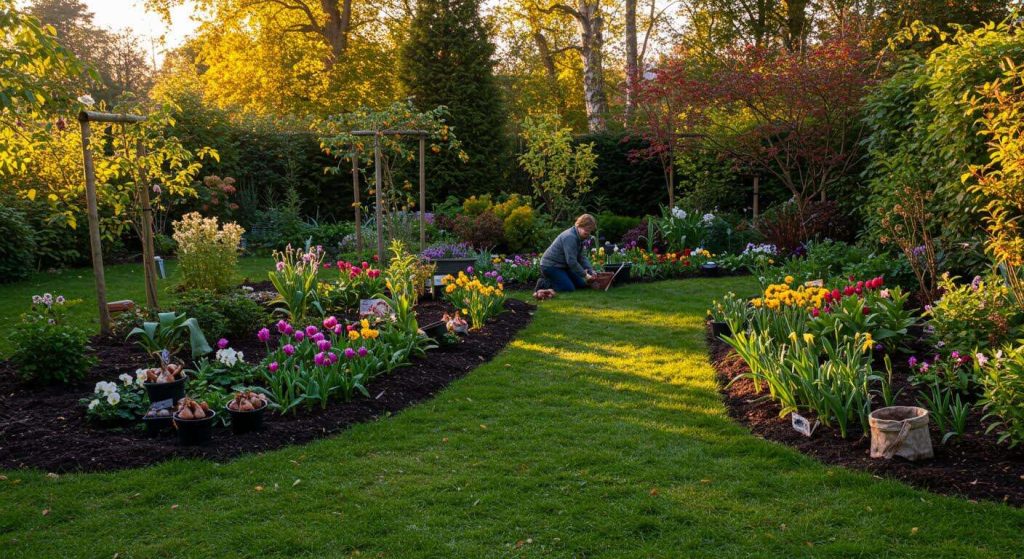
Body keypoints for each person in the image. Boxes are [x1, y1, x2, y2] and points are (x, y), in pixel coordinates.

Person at [538, 214, 597, 293]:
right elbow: (571, 261)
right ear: (579, 225)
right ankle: (543, 283)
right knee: (568, 288)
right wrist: (585, 275)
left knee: (581, 284)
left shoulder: (581, 237)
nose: (588, 232)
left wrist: (590, 270)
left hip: (563, 266)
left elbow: (581, 257)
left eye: (590, 230)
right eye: (586, 229)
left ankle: (562, 280)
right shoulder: (570, 237)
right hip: (550, 266)